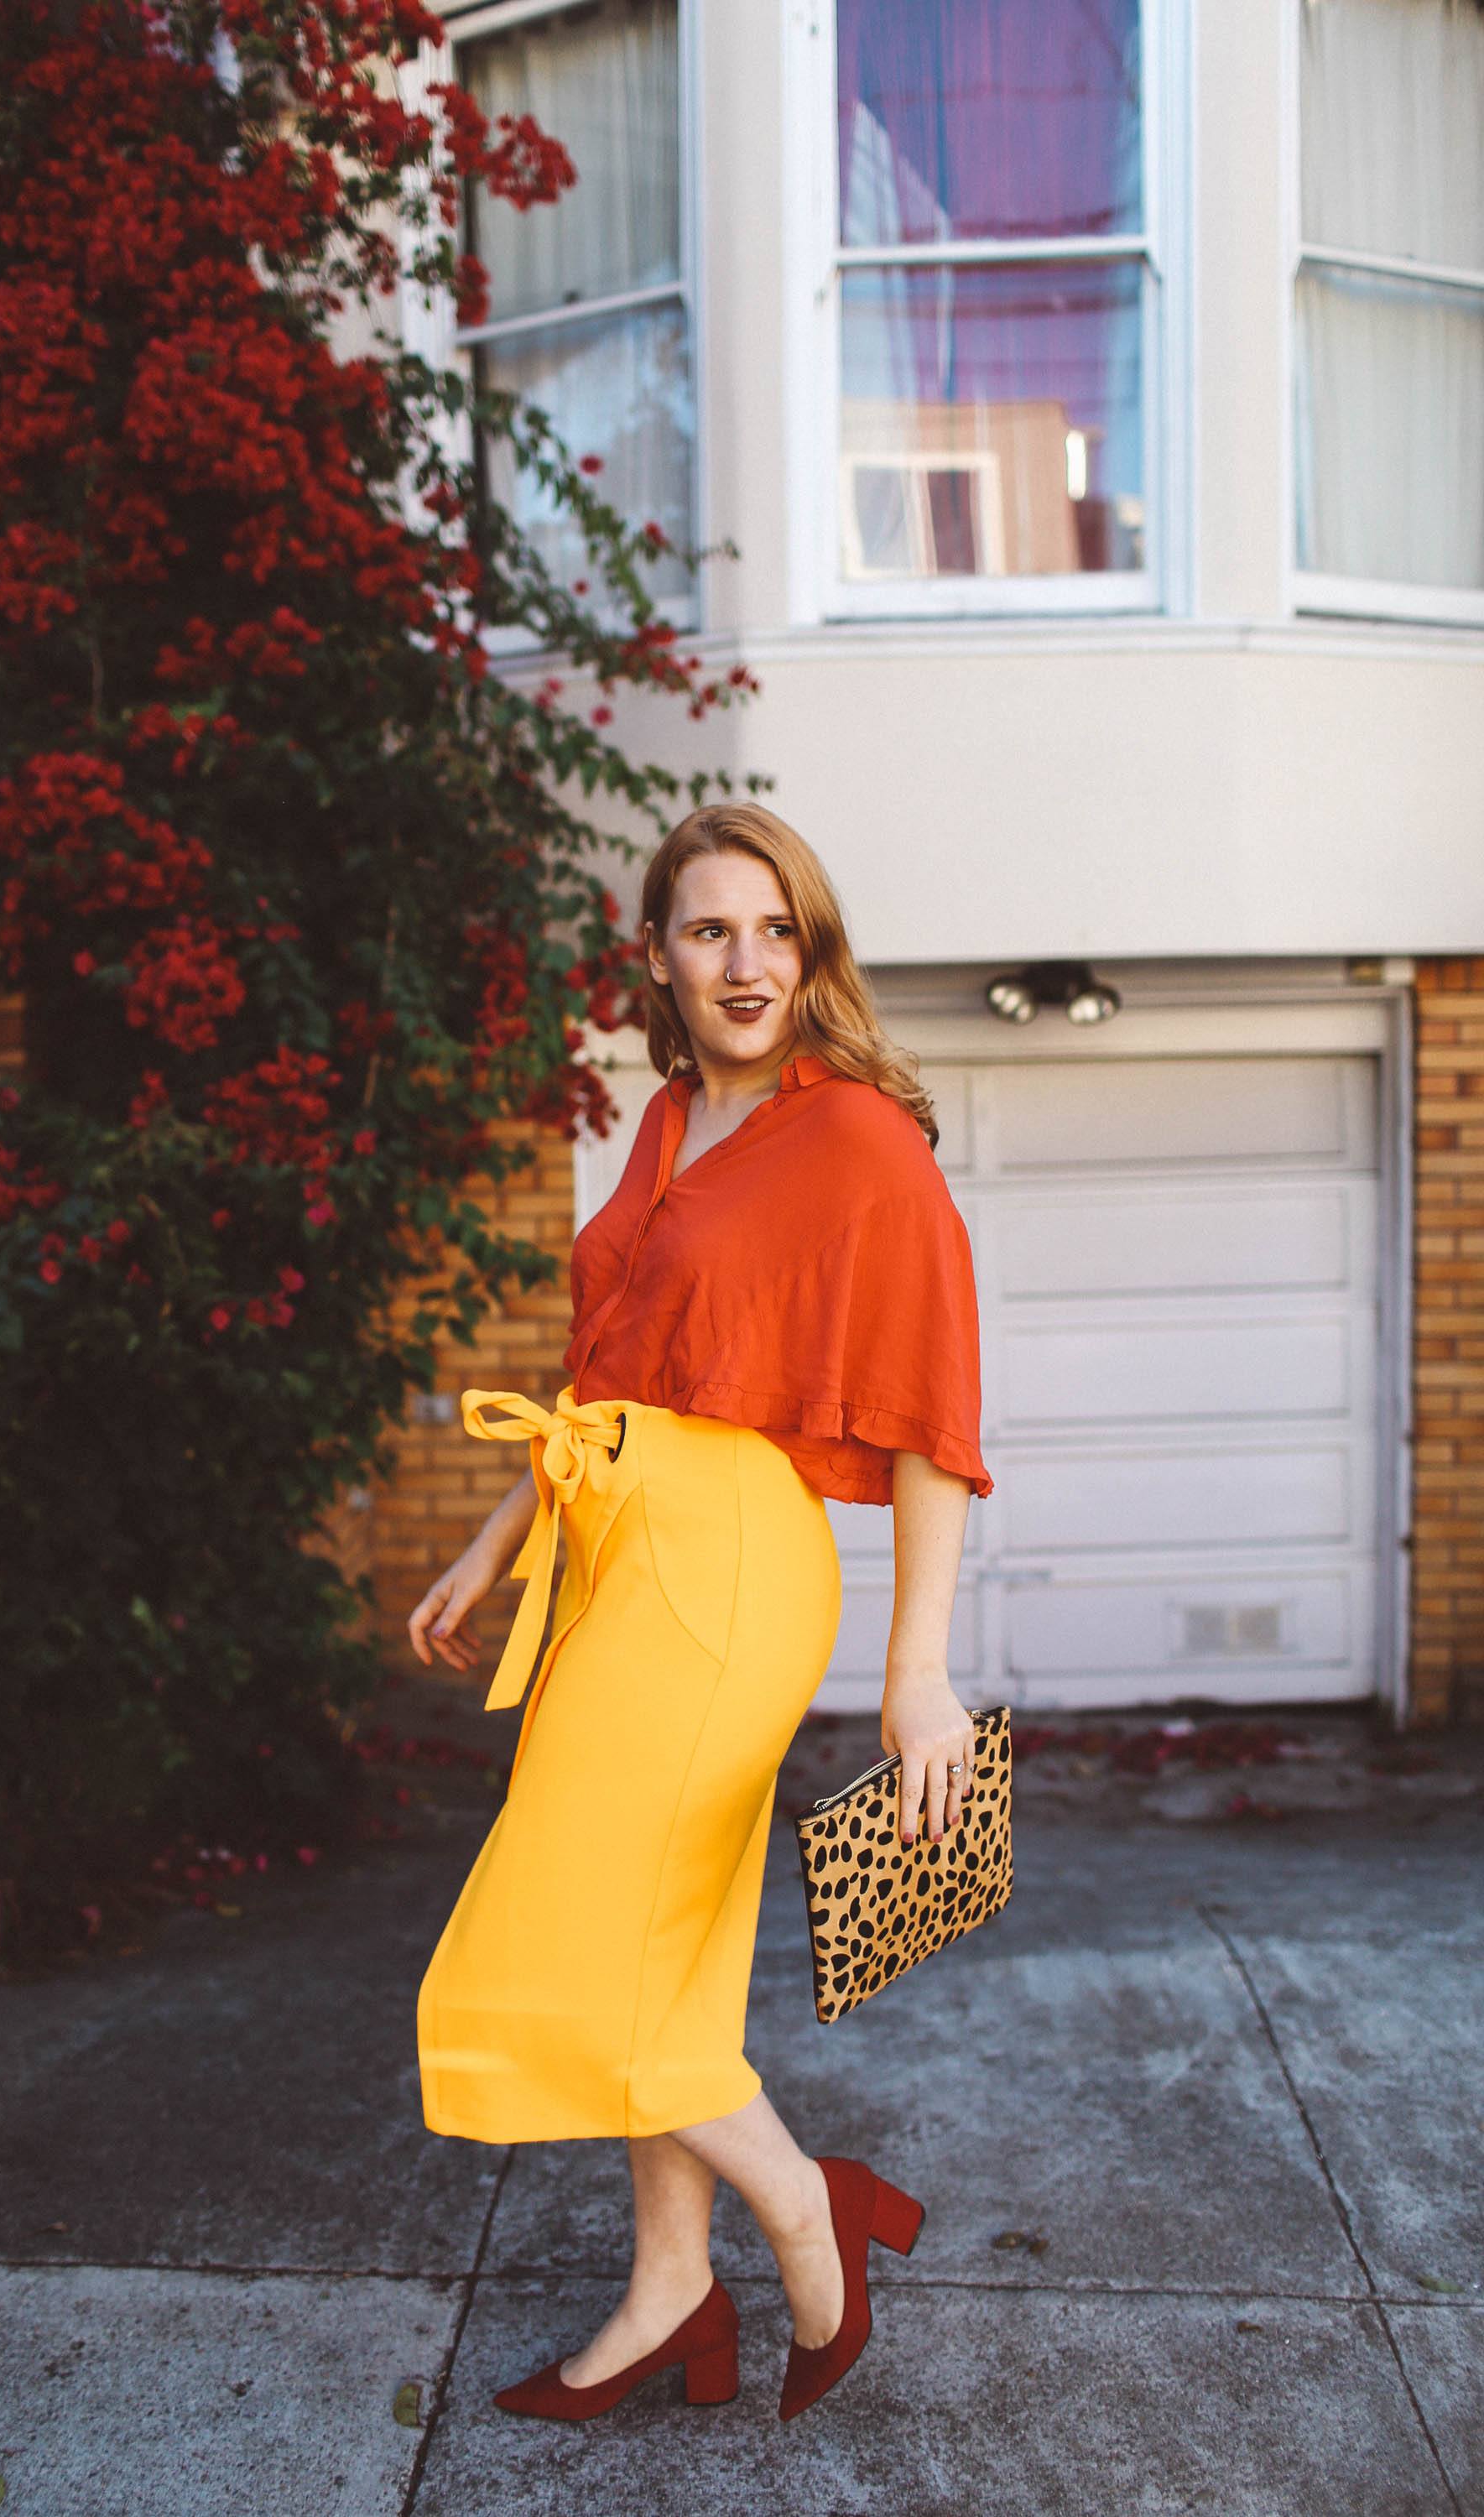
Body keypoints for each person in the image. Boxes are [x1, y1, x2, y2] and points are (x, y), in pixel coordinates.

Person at [409, 802, 991, 2424]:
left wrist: (920, 1671)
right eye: (710, 931)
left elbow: (935, 1416)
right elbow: (606, 1378)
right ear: (656, 958)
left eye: (776, 930)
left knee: (560, 1958)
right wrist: (500, 1539)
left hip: (731, 1568)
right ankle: (671, 2290)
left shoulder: (861, 1138)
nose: (746, 964)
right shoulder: (666, 1124)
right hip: (611, 1549)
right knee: (662, 1961)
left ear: (814, 951)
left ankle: (816, 2215)